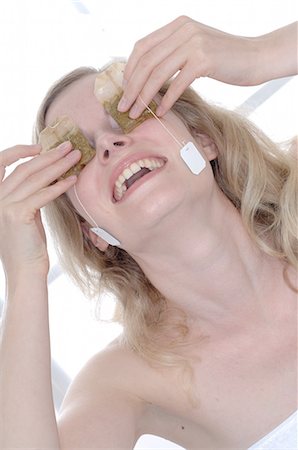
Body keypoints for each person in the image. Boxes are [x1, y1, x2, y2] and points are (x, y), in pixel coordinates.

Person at [0, 16, 297, 450]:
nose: (108, 144)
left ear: (202, 140)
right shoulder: (123, 381)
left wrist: (262, 55)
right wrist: (25, 275)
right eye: (75, 158)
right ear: (93, 233)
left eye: (131, 111)